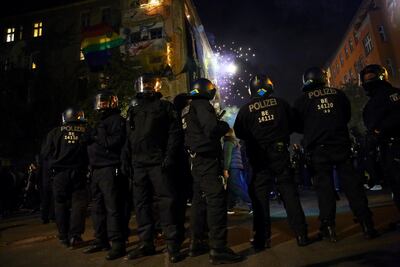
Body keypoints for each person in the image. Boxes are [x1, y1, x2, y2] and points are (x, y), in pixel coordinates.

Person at [293, 67, 378, 242]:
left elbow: (297, 125)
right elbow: (345, 116)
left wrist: (312, 129)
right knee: (353, 186)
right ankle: (366, 224)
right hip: (341, 146)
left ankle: (329, 228)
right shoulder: (338, 94)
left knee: (324, 190)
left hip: (318, 150)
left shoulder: (302, 100)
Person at [234, 74, 310, 251]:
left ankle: (262, 239)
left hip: (259, 159)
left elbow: (240, 133)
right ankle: (302, 234)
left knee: (260, 198)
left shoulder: (246, 109)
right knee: (289, 193)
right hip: (280, 154)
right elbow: (294, 124)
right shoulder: (281, 104)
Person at [182, 78, 243, 264]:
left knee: (199, 201)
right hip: (207, 160)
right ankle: (218, 248)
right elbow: (211, 130)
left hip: (197, 160)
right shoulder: (202, 105)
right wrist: (223, 125)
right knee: (216, 199)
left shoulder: (189, 108)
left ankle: (197, 242)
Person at [124, 75, 183, 263]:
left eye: (151, 84)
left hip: (158, 162)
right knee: (141, 205)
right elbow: (129, 137)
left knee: (167, 203)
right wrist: (126, 159)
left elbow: (175, 133)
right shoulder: (133, 109)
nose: (147, 87)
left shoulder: (166, 106)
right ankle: (146, 243)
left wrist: (169, 156)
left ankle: (172, 244)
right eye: (145, 84)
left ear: (156, 87)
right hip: (138, 164)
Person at [84, 91, 127, 260]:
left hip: (110, 168)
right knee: (97, 208)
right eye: (100, 102)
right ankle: (100, 239)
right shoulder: (100, 121)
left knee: (113, 208)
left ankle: (118, 243)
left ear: (112, 103)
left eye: (105, 102)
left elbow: (113, 143)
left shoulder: (117, 121)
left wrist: (95, 135)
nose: (101, 105)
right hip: (96, 170)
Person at [360, 64, 400, 224]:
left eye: (369, 78)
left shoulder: (373, 104)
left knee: (397, 186)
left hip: (392, 149)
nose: (368, 82)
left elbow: (374, 128)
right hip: (388, 148)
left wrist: (378, 132)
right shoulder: (396, 93)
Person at [44, 108, 88, 248]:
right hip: (79, 172)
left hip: (59, 174)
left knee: (60, 204)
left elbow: (45, 153)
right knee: (78, 204)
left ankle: (63, 236)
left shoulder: (55, 132)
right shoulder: (84, 131)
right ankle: (75, 236)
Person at [223, 129, 252, 214]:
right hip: (237, 167)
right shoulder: (235, 142)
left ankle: (251, 202)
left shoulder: (228, 142)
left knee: (236, 187)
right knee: (232, 188)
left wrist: (225, 169)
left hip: (232, 167)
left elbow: (227, 156)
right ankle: (229, 206)